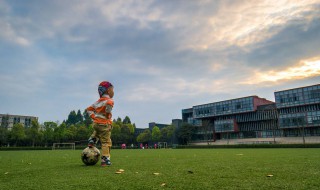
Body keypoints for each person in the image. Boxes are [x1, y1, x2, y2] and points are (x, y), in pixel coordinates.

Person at [86, 81, 114, 166]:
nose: (113, 92)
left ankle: (92, 140)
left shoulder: (97, 102)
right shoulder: (109, 100)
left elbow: (88, 109)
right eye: (113, 90)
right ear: (108, 90)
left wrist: (93, 117)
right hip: (105, 124)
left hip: (96, 123)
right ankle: (105, 159)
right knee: (106, 142)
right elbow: (109, 105)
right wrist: (108, 114)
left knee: (98, 132)